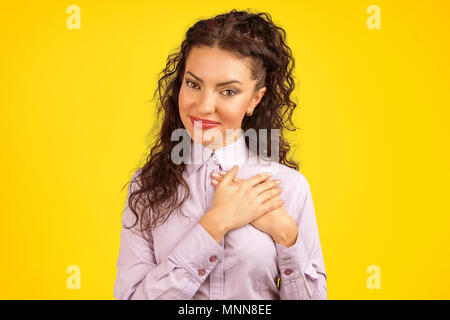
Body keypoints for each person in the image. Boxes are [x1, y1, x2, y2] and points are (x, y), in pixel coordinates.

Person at [114, 9, 327, 300]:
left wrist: (287, 236)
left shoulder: (288, 187)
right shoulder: (147, 187)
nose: (204, 106)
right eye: (193, 84)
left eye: (227, 92)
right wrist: (216, 223)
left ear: (255, 99)